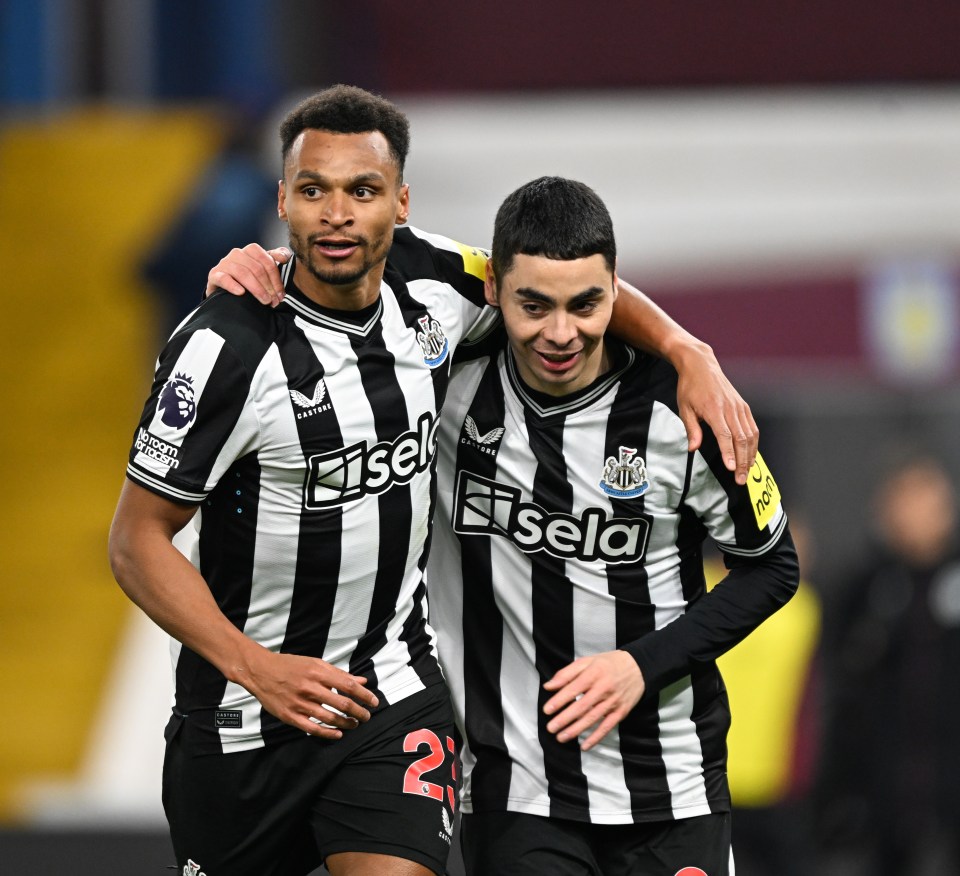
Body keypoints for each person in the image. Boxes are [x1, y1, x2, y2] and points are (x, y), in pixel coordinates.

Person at [111, 85, 756, 876]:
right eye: (313, 190)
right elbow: (137, 542)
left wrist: (689, 350)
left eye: (363, 190)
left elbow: (559, 284)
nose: (337, 213)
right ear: (282, 199)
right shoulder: (223, 347)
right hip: (241, 715)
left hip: (391, 695)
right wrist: (255, 666)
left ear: (401, 203)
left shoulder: (440, 282)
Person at [817, 455, 960, 876]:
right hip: (879, 792)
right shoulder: (863, 587)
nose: (913, 516)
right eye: (902, 502)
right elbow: (843, 682)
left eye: (925, 502)